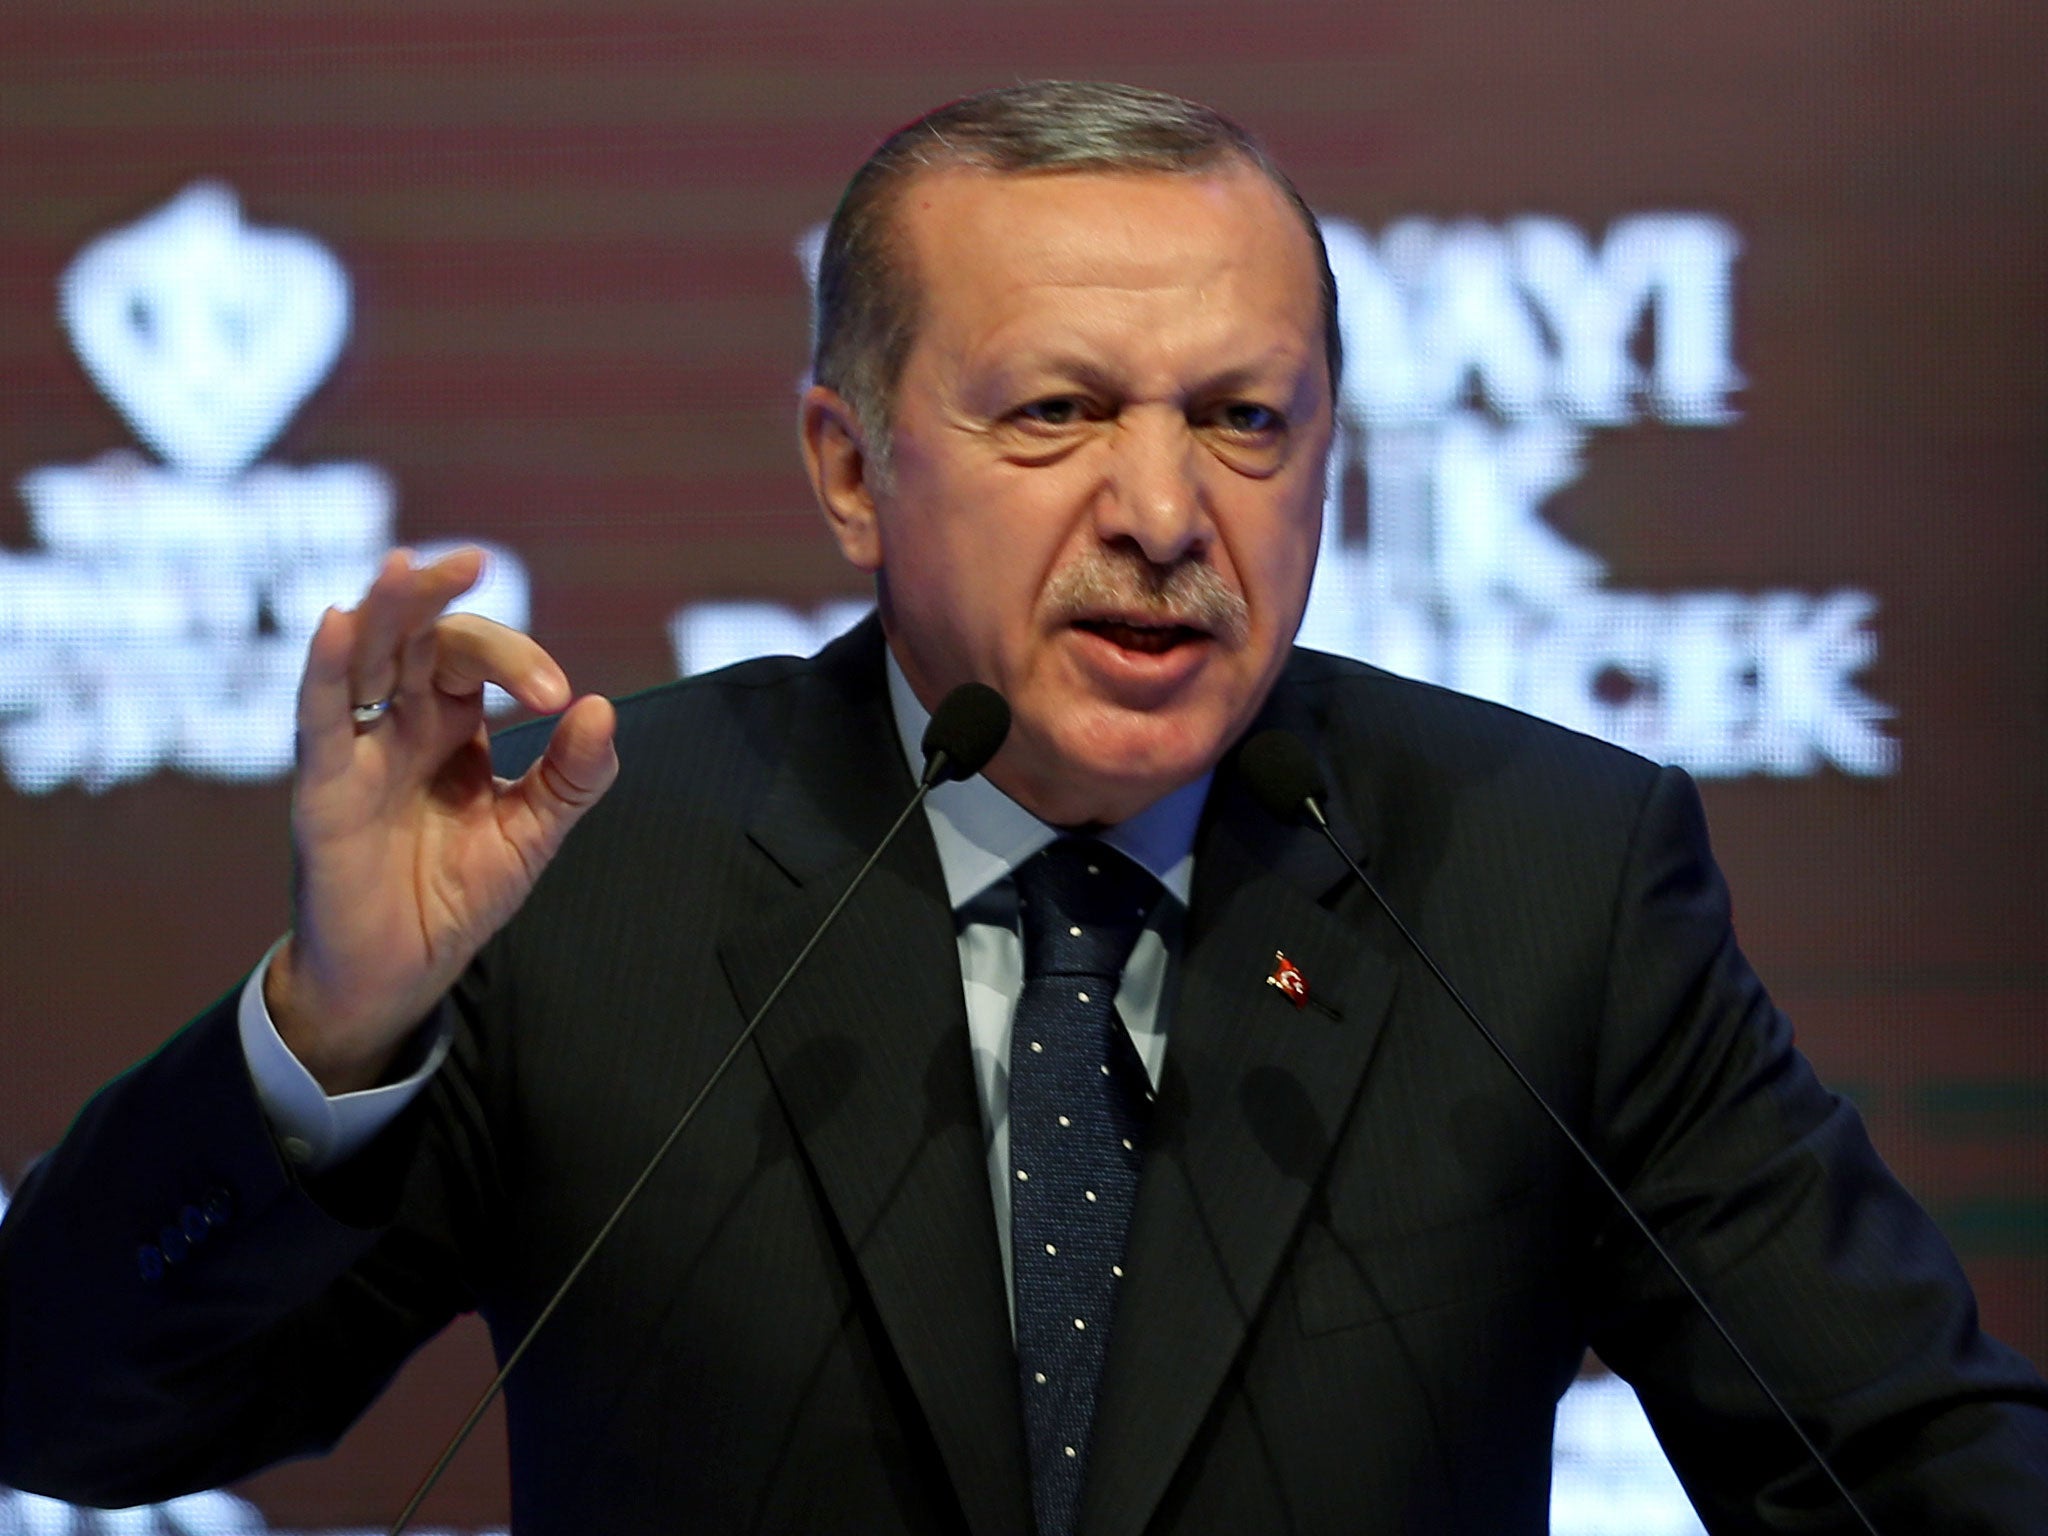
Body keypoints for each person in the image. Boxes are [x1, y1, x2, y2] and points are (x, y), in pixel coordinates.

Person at [2, 81, 2044, 1536]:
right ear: (846, 464)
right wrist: (332, 1031)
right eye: (1055, 412)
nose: (1164, 514)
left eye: (1245, 422)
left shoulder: (1535, 873)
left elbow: (1908, 1473)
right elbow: (74, 1418)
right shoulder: (595, 863)